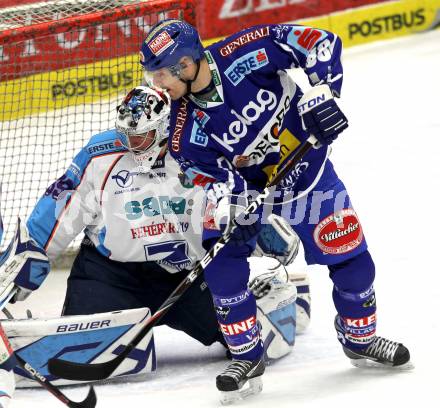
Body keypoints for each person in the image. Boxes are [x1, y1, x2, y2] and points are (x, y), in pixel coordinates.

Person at [140, 19, 411, 400]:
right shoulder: (184, 128)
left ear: (185, 65)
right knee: (222, 267)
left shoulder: (246, 50)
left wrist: (324, 92)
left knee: (353, 262)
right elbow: (206, 176)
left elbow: (320, 42)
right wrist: (232, 200)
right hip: (252, 195)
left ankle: (359, 338)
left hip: (307, 176)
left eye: (160, 75)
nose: (157, 85)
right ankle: (247, 355)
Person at [0, 86, 307, 391]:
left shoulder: (201, 151)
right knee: (80, 352)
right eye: (126, 135)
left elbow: (236, 198)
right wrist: (26, 263)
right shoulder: (100, 155)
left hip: (187, 275)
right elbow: (58, 211)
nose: (131, 144)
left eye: (140, 136)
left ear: (163, 129)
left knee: (249, 341)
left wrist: (264, 228)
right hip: (110, 275)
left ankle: (273, 292)